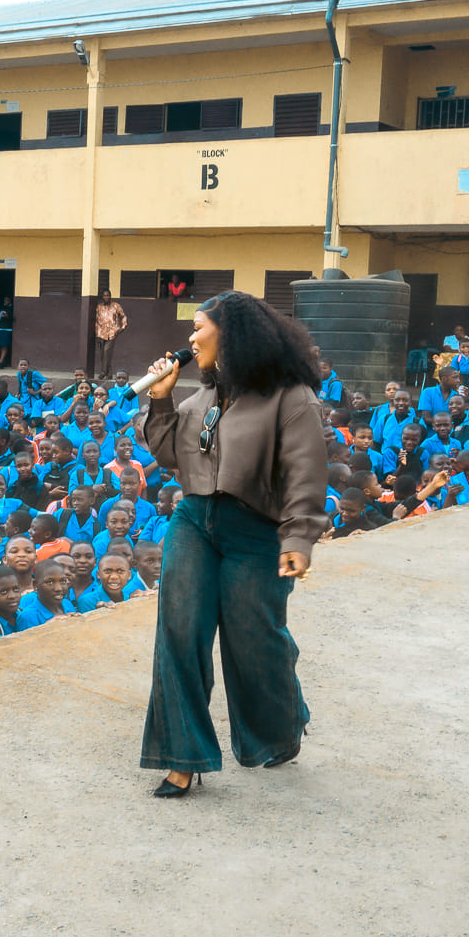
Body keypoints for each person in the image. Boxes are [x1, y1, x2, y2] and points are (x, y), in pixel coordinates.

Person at [138, 290, 327, 797]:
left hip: (255, 530)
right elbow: (169, 455)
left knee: (255, 640)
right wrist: (161, 399)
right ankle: (183, 756)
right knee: (179, 633)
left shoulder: (291, 398)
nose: (191, 337)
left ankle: (281, 727)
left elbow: (305, 473)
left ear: (233, 334)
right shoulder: (202, 399)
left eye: (199, 327)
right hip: (194, 521)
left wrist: (298, 536)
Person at [93, 289, 128, 378]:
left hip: (112, 333)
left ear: (110, 296)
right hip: (101, 333)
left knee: (106, 351)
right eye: (105, 295)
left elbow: (123, 316)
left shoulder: (116, 306)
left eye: (108, 295)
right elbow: (97, 321)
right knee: (103, 354)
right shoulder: (99, 307)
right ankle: (109, 374)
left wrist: (122, 327)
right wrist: (97, 334)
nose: (106, 297)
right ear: (102, 297)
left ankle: (103, 372)